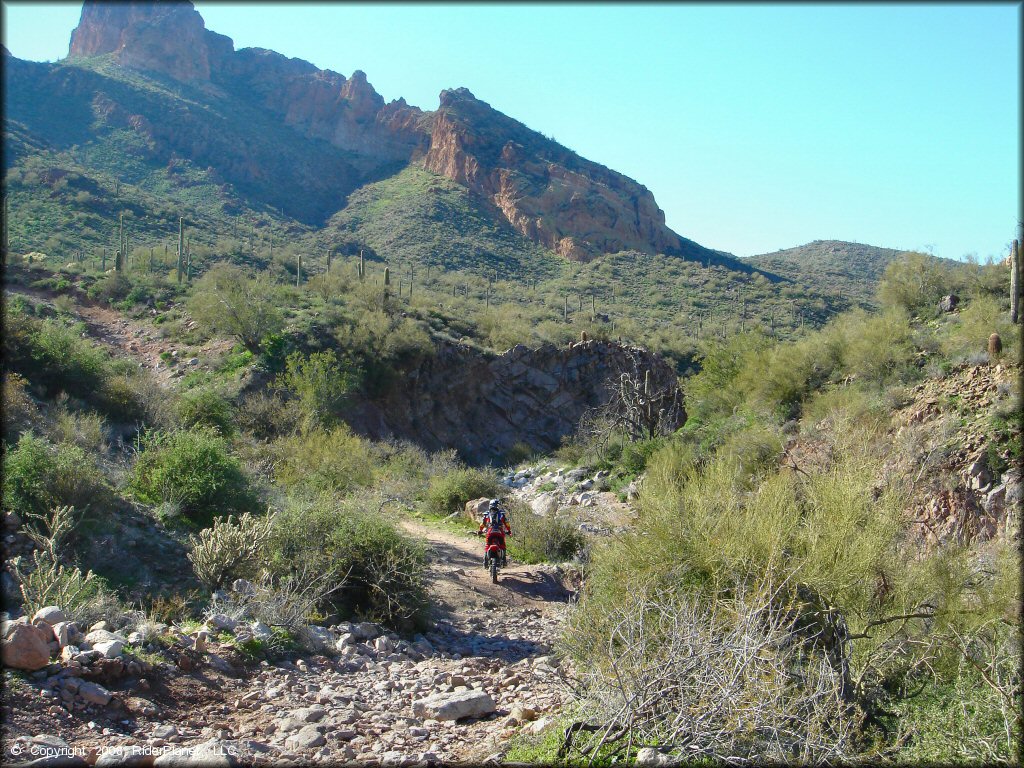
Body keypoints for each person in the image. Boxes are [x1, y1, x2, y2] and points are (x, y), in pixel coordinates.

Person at [478, 499, 511, 567]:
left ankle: (485, 562)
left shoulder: (487, 514)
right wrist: (509, 530)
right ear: (498, 506)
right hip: (499, 531)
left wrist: (480, 530)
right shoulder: (502, 514)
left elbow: (483, 524)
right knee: (502, 545)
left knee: (488, 545)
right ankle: (504, 560)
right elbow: (507, 524)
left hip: (490, 531)